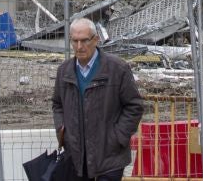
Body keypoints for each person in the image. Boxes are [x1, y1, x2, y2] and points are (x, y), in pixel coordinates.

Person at [51, 18, 144, 181]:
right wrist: (63, 132)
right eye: (75, 41)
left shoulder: (117, 68)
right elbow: (57, 104)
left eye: (85, 40)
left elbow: (134, 106)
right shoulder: (64, 71)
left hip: (109, 157)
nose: (79, 46)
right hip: (76, 158)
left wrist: (117, 137)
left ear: (96, 39)